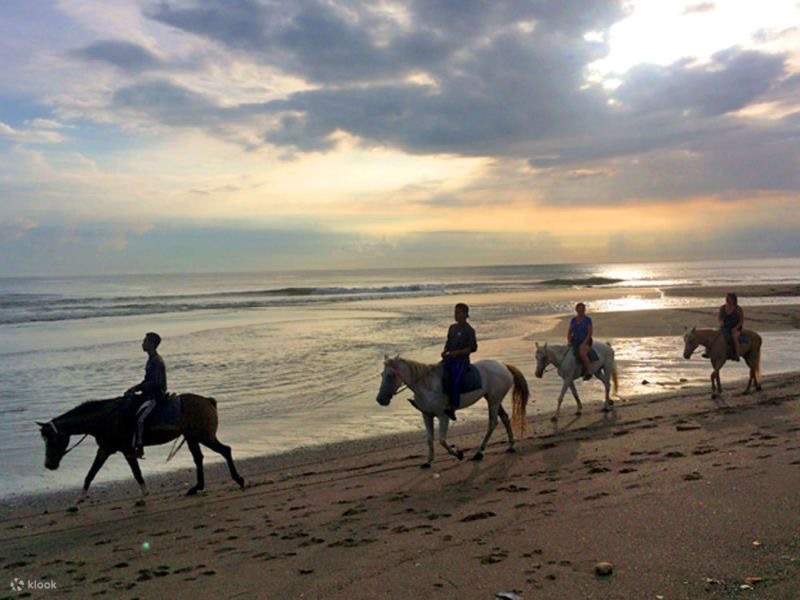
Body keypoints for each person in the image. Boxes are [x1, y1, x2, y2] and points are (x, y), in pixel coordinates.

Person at [125, 332, 168, 458]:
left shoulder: (156, 361)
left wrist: (138, 388)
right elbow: (147, 380)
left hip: (155, 396)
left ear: (152, 344)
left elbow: (155, 383)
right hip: (148, 393)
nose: (142, 343)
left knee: (140, 419)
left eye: (145, 341)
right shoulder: (151, 359)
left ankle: (139, 446)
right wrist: (135, 388)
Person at [441, 303, 477, 421]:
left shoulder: (469, 330)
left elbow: (472, 348)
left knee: (456, 378)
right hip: (449, 358)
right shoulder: (452, 328)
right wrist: (445, 351)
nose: (456, 315)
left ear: (465, 314)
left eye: (458, 313)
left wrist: (457, 353)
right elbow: (448, 343)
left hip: (461, 361)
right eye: (455, 312)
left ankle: (453, 407)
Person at [568, 302, 594, 380]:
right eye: (579, 309)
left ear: (584, 310)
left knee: (582, 354)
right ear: (576, 310)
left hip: (586, 340)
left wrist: (584, 343)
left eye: (582, 310)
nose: (580, 311)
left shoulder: (587, 320)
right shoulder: (573, 320)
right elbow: (569, 332)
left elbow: (590, 332)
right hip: (575, 340)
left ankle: (589, 371)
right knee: (566, 354)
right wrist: (569, 341)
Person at [719, 292, 744, 360]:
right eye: (727, 298)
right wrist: (721, 322)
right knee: (714, 335)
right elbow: (720, 318)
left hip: (735, 327)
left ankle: (737, 354)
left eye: (730, 298)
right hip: (725, 327)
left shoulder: (738, 309)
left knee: (734, 338)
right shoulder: (722, 308)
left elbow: (741, 321)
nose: (728, 299)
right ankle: (708, 352)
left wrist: (736, 328)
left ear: (734, 299)